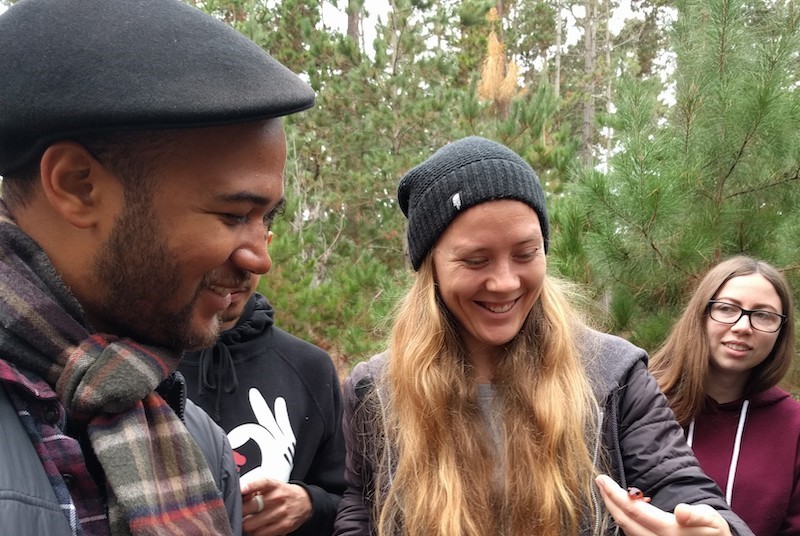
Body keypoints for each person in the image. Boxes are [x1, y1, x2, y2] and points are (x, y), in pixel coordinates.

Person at [332, 136, 753, 536]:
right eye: (476, 260)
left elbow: (677, 483)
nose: (505, 282)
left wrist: (716, 527)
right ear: (431, 269)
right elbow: (361, 504)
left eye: (526, 253)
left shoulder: (613, 376)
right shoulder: (377, 389)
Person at [0, 0, 315, 534]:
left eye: (266, 218)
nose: (260, 257)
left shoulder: (194, 440)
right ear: (78, 185)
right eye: (234, 214)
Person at [179, 269, 346, 536]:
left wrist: (309, 504)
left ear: (265, 246)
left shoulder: (310, 366)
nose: (231, 273)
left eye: (246, 255)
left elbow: (353, 502)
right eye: (221, 251)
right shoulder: (138, 362)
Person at [650, 256, 800, 536]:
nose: (743, 326)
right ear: (701, 314)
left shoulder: (794, 426)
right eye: (727, 308)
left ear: (781, 332)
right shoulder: (642, 402)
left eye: (763, 315)